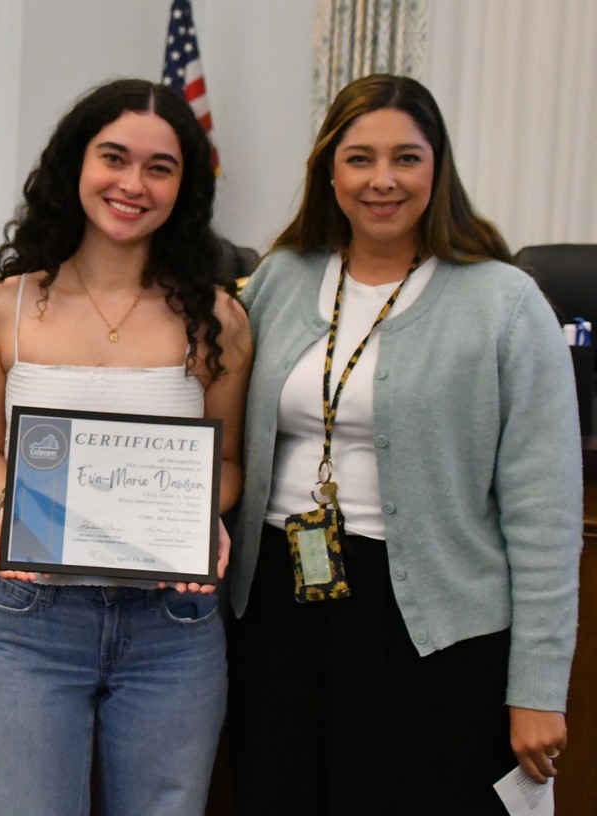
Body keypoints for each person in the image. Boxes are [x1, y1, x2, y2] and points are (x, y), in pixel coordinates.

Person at [226, 73, 583, 815]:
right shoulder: (280, 279)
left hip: (433, 631)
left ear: (438, 168)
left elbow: (546, 518)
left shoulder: (505, 304)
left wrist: (538, 690)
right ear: (329, 170)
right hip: (278, 613)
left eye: (406, 158)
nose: (381, 180)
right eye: (359, 158)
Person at [0, 78, 252, 815]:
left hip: (172, 627)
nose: (132, 184)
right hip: (33, 622)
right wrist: (12, 499)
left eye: (160, 167)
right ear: (74, 166)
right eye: (113, 158)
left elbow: (227, 467)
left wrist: (194, 517)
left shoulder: (218, 318)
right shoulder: (8, 308)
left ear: (185, 187)